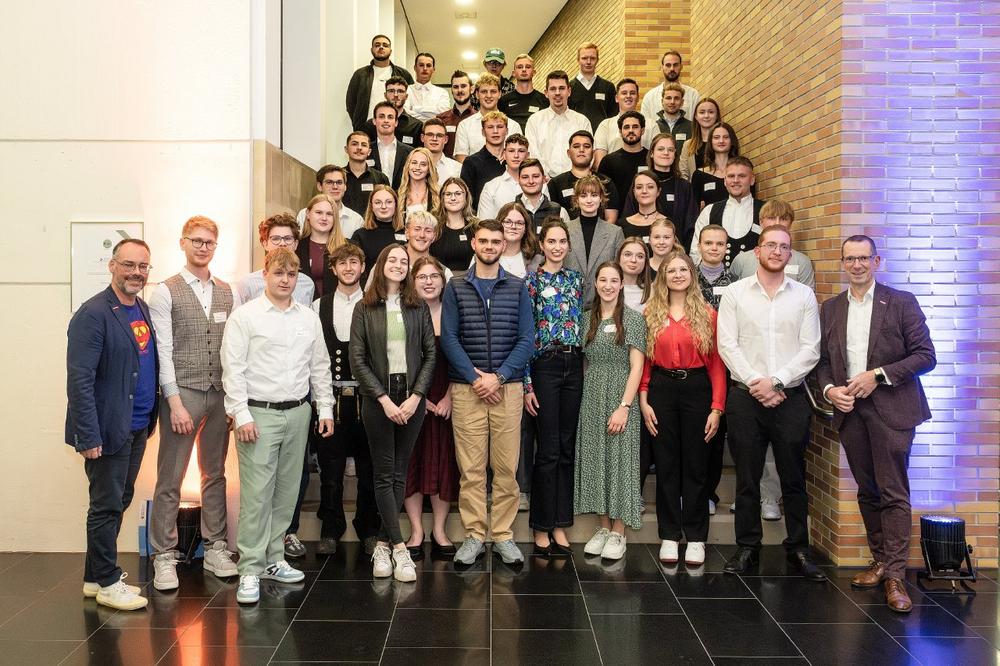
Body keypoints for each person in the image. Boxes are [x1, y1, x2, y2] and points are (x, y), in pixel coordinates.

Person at [817, 235, 936, 613]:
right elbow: (823, 362)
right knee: (868, 491)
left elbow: (926, 356)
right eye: (850, 259)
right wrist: (831, 390)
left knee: (893, 492)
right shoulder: (831, 308)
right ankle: (881, 560)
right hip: (851, 411)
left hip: (893, 410)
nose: (857, 265)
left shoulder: (901, 302)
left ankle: (896, 577)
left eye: (864, 258)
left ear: (877, 261)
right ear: (842, 263)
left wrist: (878, 376)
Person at [221, 248, 335, 605]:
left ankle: (274, 559)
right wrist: (241, 414)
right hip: (259, 415)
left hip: (299, 412)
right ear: (265, 275)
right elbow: (233, 369)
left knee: (287, 493)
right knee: (257, 496)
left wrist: (325, 408)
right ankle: (250, 569)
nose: (285, 280)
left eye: (291, 274)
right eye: (279, 273)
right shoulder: (245, 317)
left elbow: (320, 366)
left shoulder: (308, 317)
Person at [717, 226, 825, 581]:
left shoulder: (804, 296)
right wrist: (757, 382)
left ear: (790, 254)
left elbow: (811, 349)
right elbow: (727, 344)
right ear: (758, 250)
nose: (777, 251)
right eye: (771, 245)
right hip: (745, 398)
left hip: (790, 398)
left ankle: (798, 548)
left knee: (793, 476)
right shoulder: (735, 293)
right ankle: (747, 547)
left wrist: (776, 381)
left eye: (783, 247)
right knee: (747, 477)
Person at [67, 238, 158, 611]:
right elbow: (80, 380)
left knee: (119, 499)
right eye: (129, 265)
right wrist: (88, 435)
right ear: (112, 265)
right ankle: (107, 582)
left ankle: (94, 578)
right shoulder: (93, 313)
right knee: (105, 505)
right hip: (107, 429)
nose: (136, 272)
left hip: (137, 426)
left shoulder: (140, 308)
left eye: (143, 266)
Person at [148, 217, 238, 592]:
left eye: (209, 242)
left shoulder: (227, 292)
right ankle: (163, 554)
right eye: (196, 241)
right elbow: (163, 350)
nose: (203, 248)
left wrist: (234, 400)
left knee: (214, 473)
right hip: (182, 392)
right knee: (171, 477)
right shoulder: (165, 291)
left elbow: (233, 349)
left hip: (219, 393)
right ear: (183, 243)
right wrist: (174, 403)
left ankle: (216, 547)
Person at [441, 219, 535, 566]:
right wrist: (475, 378)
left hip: (507, 389)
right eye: (484, 241)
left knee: (506, 469)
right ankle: (475, 535)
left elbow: (527, 339)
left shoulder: (517, 287)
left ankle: (504, 535)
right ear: (474, 244)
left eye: (496, 241)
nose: (490, 246)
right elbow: (449, 338)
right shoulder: (456, 286)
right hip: (467, 390)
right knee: (471, 469)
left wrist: (499, 377)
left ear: (503, 246)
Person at [350, 244, 436, 582]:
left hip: (411, 398)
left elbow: (430, 354)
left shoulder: (418, 306)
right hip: (378, 399)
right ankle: (400, 549)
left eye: (404, 261)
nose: (399, 265)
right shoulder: (364, 307)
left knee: (400, 473)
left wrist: (417, 396)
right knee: (384, 474)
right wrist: (383, 400)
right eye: (393, 260)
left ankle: (383, 545)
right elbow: (358, 360)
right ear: (381, 264)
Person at [640, 250, 726, 567]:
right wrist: (644, 398)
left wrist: (716, 407)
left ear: (692, 274)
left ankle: (696, 537)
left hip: (697, 389)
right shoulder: (650, 313)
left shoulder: (708, 314)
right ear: (662, 277)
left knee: (696, 465)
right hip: (661, 389)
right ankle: (669, 534)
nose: (677, 275)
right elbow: (644, 361)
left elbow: (717, 365)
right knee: (666, 464)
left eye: (683, 270)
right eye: (671, 270)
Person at [311, 243, 381, 556]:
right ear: (333, 268)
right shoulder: (318, 306)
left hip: (368, 398)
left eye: (354, 262)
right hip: (332, 398)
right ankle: (330, 528)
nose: (349, 268)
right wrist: (319, 400)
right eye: (342, 263)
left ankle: (369, 529)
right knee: (330, 470)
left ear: (363, 267)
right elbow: (314, 355)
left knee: (369, 469)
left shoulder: (375, 303)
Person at [575, 262, 647, 560]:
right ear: (596, 283)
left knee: (620, 462)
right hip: (592, 396)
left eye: (613, 280)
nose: (607, 285)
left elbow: (637, 366)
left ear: (621, 284)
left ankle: (619, 532)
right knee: (596, 462)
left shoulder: (633, 319)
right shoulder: (585, 320)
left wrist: (624, 407)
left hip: (621, 395)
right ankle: (603, 528)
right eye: (602, 280)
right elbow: (584, 362)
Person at [523, 219, 584, 556]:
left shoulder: (576, 280)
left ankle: (560, 522)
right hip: (544, 366)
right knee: (547, 450)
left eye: (563, 241)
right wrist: (527, 384)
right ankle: (541, 526)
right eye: (552, 241)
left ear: (568, 245)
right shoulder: (531, 282)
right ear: (542, 244)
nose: (558, 247)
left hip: (573, 366)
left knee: (566, 448)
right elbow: (526, 334)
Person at [403, 256, 461, 559]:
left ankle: (439, 530)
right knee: (412, 463)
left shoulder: (454, 314)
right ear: (413, 282)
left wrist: (449, 396)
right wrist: (417, 398)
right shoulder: (406, 314)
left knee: (444, 464)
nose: (428, 282)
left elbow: (464, 358)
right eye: (422, 277)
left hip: (447, 398)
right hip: (413, 400)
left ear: (443, 280)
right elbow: (398, 361)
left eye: (434, 276)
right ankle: (416, 531)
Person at [689, 156, 765, 267]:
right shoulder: (709, 211)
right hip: (716, 277)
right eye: (731, 176)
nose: (735, 180)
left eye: (742, 176)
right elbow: (696, 251)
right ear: (725, 181)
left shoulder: (766, 210)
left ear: (752, 179)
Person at [621, 133, 696, 245]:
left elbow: (690, 225)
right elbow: (629, 219)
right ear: (651, 153)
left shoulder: (684, 187)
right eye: (661, 149)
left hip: (676, 249)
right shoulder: (640, 182)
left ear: (675, 154)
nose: (666, 153)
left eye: (670, 150)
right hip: (641, 249)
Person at [565, 175, 625, 303]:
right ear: (576, 199)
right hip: (568, 302)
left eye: (594, 195)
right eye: (583, 195)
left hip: (603, 303)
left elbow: (620, 271)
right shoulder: (564, 230)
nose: (589, 200)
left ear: (601, 198)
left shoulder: (615, 233)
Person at [730, 200, 816, 289]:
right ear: (761, 222)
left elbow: (807, 295)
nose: (777, 223)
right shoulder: (741, 260)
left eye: (783, 219)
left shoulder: (802, 261)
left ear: (790, 224)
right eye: (771, 218)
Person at [524, 70, 592, 177]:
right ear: (546, 93)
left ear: (569, 91)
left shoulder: (582, 121)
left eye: (561, 88)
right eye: (552, 89)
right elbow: (533, 154)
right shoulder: (534, 121)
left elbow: (588, 153)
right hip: (544, 181)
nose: (557, 93)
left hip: (577, 180)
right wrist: (544, 177)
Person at [237, 214, 315, 306]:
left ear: (296, 244)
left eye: (287, 238)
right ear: (265, 244)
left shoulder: (307, 284)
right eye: (276, 239)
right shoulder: (247, 284)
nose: (282, 243)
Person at [548, 130, 621, 223]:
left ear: (593, 153)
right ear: (569, 153)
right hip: (565, 231)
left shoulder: (606, 182)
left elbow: (611, 219)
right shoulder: (555, 183)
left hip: (601, 231)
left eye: (586, 146)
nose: (581, 150)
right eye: (576, 146)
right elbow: (552, 220)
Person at [346, 34, 414, 131]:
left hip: (396, 128)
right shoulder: (360, 74)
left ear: (390, 51)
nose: (381, 47)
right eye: (377, 45)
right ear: (371, 50)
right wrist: (358, 123)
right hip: (366, 128)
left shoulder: (403, 74)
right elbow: (351, 103)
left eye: (385, 45)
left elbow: (411, 100)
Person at [454, 73, 523, 162]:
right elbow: (461, 159)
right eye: (484, 92)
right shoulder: (465, 126)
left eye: (493, 91)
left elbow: (519, 157)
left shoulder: (513, 126)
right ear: (477, 94)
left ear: (499, 94)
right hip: (474, 171)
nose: (489, 96)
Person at [295, 194, 348, 298]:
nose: (324, 218)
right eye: (319, 212)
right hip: (303, 305)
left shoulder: (348, 247)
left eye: (329, 214)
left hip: (337, 306)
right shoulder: (297, 247)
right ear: (308, 214)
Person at [350, 185, 406, 283]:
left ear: (396, 204)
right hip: (370, 288)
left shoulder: (406, 232)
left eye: (389, 202)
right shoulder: (360, 235)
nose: (383, 206)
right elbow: (355, 268)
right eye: (378, 202)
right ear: (371, 206)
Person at [297, 164, 365, 239]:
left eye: (339, 182)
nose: (335, 187)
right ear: (319, 186)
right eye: (329, 182)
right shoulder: (304, 215)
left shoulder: (356, 220)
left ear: (345, 186)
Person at [458, 110, 508, 210]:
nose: (495, 131)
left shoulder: (514, 161)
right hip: (480, 217)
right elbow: (466, 200)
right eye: (490, 127)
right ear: (483, 132)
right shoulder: (471, 162)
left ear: (507, 131)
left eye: (499, 127)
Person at [597, 111, 649, 206]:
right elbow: (602, 194)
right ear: (620, 132)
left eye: (635, 127)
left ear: (642, 130)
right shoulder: (608, 161)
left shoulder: (651, 158)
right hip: (616, 214)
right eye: (626, 127)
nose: (631, 130)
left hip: (647, 211)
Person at [477, 134, 533, 220]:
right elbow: (485, 224)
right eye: (511, 151)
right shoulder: (491, 187)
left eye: (521, 151)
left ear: (527, 156)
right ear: (504, 154)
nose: (516, 155)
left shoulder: (539, 185)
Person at [690, 122, 744, 211]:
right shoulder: (699, 175)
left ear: (732, 141)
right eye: (716, 137)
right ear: (710, 142)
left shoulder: (743, 171)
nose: (721, 141)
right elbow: (693, 210)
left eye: (726, 137)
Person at [594, 78, 648, 168]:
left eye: (632, 93)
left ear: (638, 97)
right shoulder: (605, 125)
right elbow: (599, 161)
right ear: (616, 98)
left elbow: (655, 156)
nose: (628, 96)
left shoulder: (651, 125)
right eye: (624, 93)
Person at [640, 50, 701, 125]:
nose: (672, 68)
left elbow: (698, 123)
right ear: (662, 67)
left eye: (675, 65)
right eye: (668, 65)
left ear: (681, 67)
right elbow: (645, 126)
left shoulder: (693, 95)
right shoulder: (649, 97)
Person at [430, 177, 477, 273]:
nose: (453, 198)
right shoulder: (432, 225)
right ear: (442, 198)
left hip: (469, 280)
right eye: (448, 194)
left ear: (466, 197)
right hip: (438, 278)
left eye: (458, 194)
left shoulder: (476, 227)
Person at [569, 42, 618, 131]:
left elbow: (613, 118)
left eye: (592, 58)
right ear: (578, 60)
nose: (588, 62)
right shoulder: (568, 88)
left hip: (602, 137)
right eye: (584, 58)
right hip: (576, 137)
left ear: (597, 60)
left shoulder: (608, 87)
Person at [364, 77, 424, 149]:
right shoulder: (371, 125)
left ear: (406, 96)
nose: (395, 95)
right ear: (385, 95)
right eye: (391, 91)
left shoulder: (416, 126)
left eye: (400, 91)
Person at [342, 132, 391, 217]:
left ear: (369, 151)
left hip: (371, 224)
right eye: (354, 144)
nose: (359, 148)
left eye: (364, 145)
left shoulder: (380, 178)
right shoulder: (338, 177)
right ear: (346, 149)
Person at [514, 158, 570, 231]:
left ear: (544, 179)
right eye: (525, 177)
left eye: (535, 176)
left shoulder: (559, 212)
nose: (531, 181)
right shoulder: (509, 211)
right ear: (518, 180)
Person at [369, 101, 415, 189]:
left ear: (396, 122)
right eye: (381, 116)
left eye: (390, 117)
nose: (386, 120)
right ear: (374, 121)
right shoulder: (366, 151)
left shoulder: (410, 152)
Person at [498, 54, 548, 129]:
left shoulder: (544, 100)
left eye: (528, 67)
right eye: (520, 67)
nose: (524, 70)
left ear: (534, 72)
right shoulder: (503, 101)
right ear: (513, 73)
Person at [495, 201, 543, 278]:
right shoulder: (485, 256)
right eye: (508, 222)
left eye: (519, 223)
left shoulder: (537, 260)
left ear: (525, 228)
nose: (513, 227)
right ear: (499, 224)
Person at [646, 83, 693, 158]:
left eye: (676, 98)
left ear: (682, 102)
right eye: (668, 98)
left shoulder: (692, 127)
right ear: (662, 101)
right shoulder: (654, 126)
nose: (672, 102)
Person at [404, 210, 454, 281]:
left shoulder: (444, 273)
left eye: (428, 231)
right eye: (417, 229)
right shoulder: (393, 266)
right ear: (407, 233)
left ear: (434, 237)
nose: (422, 235)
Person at [435, 70, 476, 158]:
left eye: (463, 86)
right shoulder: (440, 119)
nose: (459, 90)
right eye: (456, 87)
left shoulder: (479, 119)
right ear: (452, 90)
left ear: (471, 89)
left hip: (472, 166)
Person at [679, 98, 721, 180]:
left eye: (711, 112)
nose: (706, 116)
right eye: (702, 112)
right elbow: (683, 174)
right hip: (695, 188)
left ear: (717, 115)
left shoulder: (724, 141)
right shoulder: (688, 145)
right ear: (696, 116)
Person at [620, 171, 667, 243]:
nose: (644, 191)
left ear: (658, 191)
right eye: (639, 187)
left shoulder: (668, 223)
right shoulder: (621, 225)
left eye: (650, 187)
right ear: (634, 192)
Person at [404, 52, 450, 121]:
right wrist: (432, 116)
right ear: (415, 68)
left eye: (428, 65)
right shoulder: (406, 90)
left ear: (433, 69)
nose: (425, 68)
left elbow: (444, 113)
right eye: (421, 65)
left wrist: (414, 108)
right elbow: (404, 112)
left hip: (434, 128)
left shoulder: (442, 92)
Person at [397, 147, 440, 214]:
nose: (417, 167)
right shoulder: (398, 195)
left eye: (423, 164)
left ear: (429, 169)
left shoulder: (438, 195)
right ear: (408, 166)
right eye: (414, 163)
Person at [617, 237, 652, 312]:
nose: (633, 260)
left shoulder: (653, 291)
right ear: (619, 257)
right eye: (627, 254)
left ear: (645, 261)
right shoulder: (608, 288)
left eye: (640, 256)